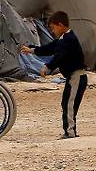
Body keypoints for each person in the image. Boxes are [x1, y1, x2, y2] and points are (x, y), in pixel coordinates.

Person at [21, 11, 87, 139]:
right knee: (67, 103)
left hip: (77, 77)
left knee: (69, 104)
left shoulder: (69, 40)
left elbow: (59, 56)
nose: (52, 31)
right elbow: (50, 48)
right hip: (73, 77)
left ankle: (70, 133)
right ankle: (69, 131)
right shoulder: (64, 39)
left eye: (53, 28)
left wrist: (47, 66)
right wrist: (32, 50)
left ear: (61, 25)